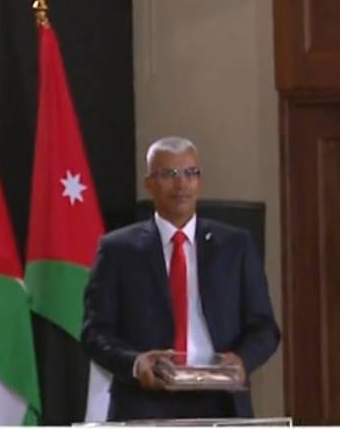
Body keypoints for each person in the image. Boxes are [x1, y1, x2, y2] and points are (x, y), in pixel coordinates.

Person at [82, 136, 280, 421]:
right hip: (144, 403)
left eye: (190, 173)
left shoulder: (235, 245)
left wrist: (242, 361)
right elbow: (95, 332)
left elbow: (264, 328)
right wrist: (136, 364)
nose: (181, 184)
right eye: (169, 174)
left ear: (200, 181)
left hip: (220, 402)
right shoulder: (117, 250)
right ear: (149, 183)